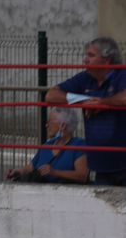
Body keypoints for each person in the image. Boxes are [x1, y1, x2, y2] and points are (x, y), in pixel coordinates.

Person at [45, 37, 126, 186]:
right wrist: (84, 100)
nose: (85, 60)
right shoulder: (85, 78)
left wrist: (102, 103)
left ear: (107, 60)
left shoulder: (122, 74)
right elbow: (51, 95)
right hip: (100, 164)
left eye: (91, 55)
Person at [5, 107, 88, 184]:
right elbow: (30, 167)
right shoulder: (46, 146)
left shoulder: (78, 145)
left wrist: (55, 172)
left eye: (50, 122)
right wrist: (18, 171)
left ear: (63, 125)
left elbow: (82, 176)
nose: (46, 125)